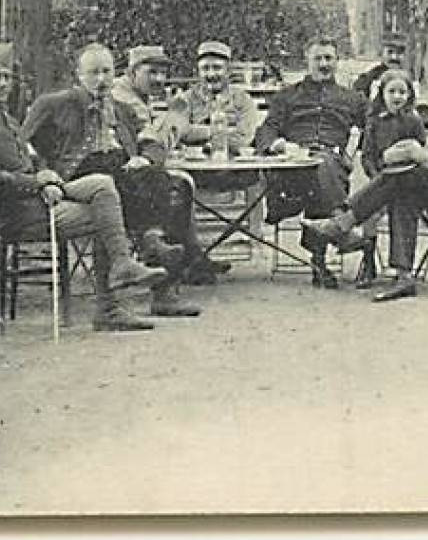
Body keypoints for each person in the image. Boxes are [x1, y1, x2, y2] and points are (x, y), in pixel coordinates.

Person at [0, 43, 166, 328]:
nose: (3, 84)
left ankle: (122, 266)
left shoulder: (4, 118)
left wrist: (45, 174)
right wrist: (34, 182)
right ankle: (108, 309)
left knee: (103, 186)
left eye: (7, 78)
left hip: (35, 197)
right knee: (106, 213)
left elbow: (29, 157)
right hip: (6, 211)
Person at [307, 36, 428, 303]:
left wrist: (420, 156)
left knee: (405, 175)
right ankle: (403, 276)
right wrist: (408, 151)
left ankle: (343, 221)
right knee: (403, 186)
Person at [22, 44, 201, 328]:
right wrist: (43, 174)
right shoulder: (54, 103)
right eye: (93, 72)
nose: (102, 79)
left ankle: (162, 283)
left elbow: (151, 140)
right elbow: (25, 147)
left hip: (118, 174)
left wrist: (144, 157)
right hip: (77, 178)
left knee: (171, 183)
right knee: (123, 187)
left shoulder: (120, 108)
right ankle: (149, 250)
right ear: (78, 74)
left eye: (107, 72)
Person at [253, 38, 372, 288]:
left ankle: (320, 262)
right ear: (307, 62)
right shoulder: (287, 96)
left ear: (337, 62)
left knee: (324, 166)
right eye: (318, 58)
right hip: (293, 168)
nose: (324, 64)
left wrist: (356, 150)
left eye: (329, 58)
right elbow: (266, 131)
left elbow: (373, 129)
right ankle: (338, 227)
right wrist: (279, 145)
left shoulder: (352, 98)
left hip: (333, 164)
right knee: (321, 167)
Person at [112, 43, 230, 284]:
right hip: (127, 176)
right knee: (178, 183)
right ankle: (183, 260)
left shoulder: (138, 95)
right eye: (151, 72)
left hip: (139, 168)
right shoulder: (125, 98)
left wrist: (207, 130)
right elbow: (158, 138)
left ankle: (191, 257)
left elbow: (162, 134)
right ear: (132, 72)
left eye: (163, 73)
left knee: (182, 182)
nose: (159, 79)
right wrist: (178, 117)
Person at [355, 70, 426, 289]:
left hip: (407, 183)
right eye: (392, 91)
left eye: (402, 92)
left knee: (401, 205)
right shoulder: (374, 123)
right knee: (370, 216)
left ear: (409, 95)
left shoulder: (413, 122)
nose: (397, 97)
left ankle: (401, 268)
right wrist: (377, 177)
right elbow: (367, 157)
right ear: (382, 94)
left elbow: (422, 154)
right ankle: (368, 262)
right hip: (380, 180)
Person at [178, 40, 261, 152]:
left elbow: (244, 138)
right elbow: (180, 132)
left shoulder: (243, 99)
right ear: (198, 71)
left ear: (228, 71)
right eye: (205, 68)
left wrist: (200, 136)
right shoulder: (185, 99)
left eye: (217, 68)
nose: (211, 75)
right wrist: (219, 131)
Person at [352, 32, 408, 99]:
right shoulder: (368, 79)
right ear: (381, 53)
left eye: (399, 53)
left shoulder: (409, 79)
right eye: (390, 52)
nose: (394, 57)